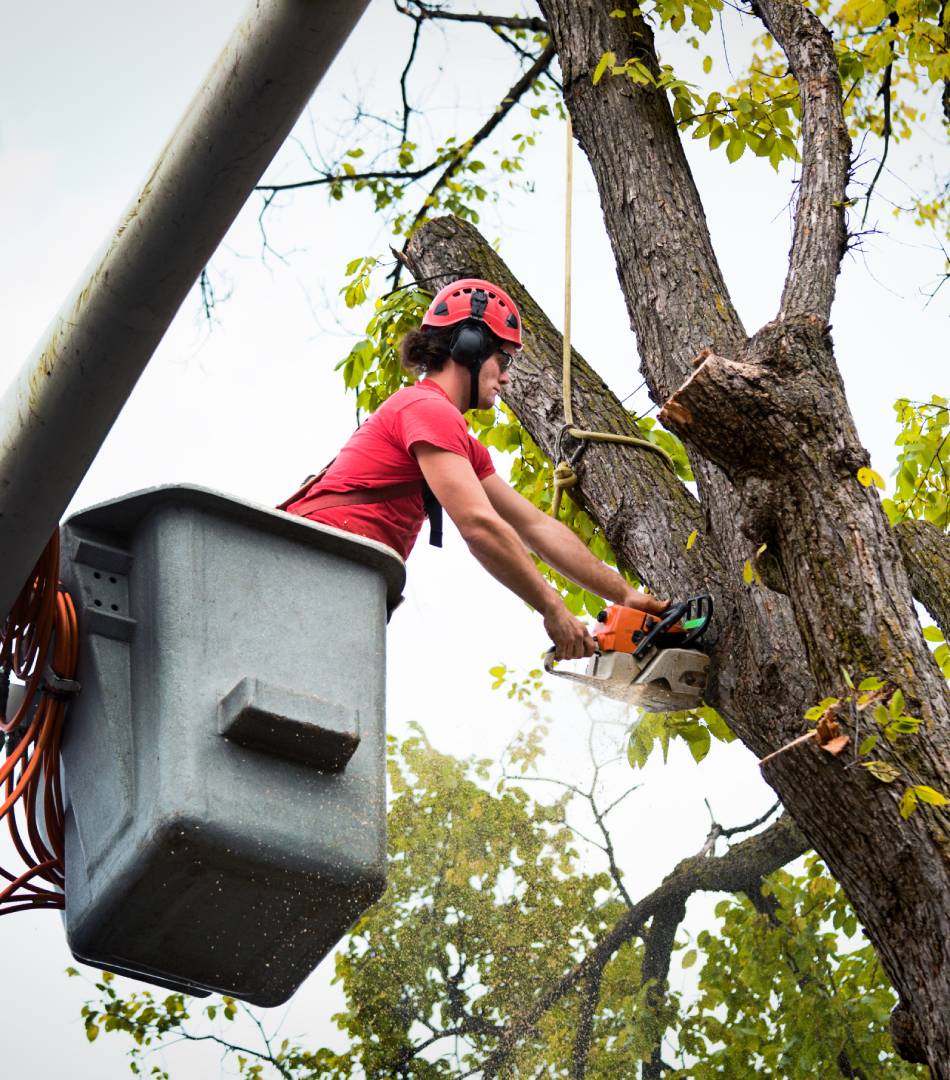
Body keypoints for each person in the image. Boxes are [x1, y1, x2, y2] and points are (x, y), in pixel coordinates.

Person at [281, 278, 666, 659]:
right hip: (308, 565)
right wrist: (553, 608)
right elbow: (479, 526)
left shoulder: (457, 442)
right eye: (502, 361)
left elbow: (535, 526)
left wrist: (625, 595)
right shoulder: (427, 409)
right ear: (469, 346)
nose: (506, 377)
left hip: (337, 574)